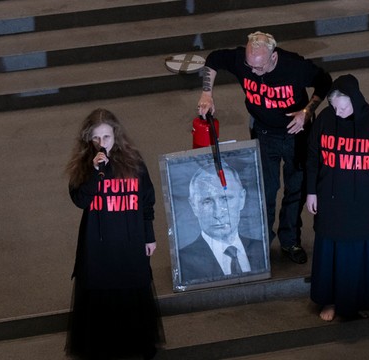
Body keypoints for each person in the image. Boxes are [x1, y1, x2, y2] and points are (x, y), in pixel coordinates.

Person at [196, 31, 332, 264]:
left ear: (273, 58)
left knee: (295, 189)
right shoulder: (243, 61)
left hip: (296, 135)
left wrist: (307, 112)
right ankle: (262, 240)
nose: (254, 73)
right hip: (264, 132)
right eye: (250, 67)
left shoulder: (295, 66)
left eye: (259, 68)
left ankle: (290, 240)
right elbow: (213, 60)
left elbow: (325, 81)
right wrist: (207, 93)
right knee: (264, 190)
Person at [64, 108, 164, 359]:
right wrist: (95, 174)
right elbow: (80, 200)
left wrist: (149, 235)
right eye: (96, 138)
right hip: (98, 242)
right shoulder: (84, 165)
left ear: (116, 136)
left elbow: (146, 199)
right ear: (88, 139)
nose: (102, 143)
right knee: (101, 289)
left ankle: (133, 344)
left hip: (130, 238)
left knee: (132, 287)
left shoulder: (134, 161)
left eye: (106, 137)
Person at [306, 74, 369, 321]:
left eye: (343, 107)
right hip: (330, 200)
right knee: (331, 253)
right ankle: (331, 300)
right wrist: (311, 191)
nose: (338, 112)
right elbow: (313, 158)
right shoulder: (325, 119)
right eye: (334, 106)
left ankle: (363, 300)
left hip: (365, 203)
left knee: (362, 253)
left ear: (356, 100)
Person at [179, 162, 267, 282]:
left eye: (225, 198)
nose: (218, 214)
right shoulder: (183, 262)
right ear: (194, 206)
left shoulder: (262, 249)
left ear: (242, 199)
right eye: (207, 201)